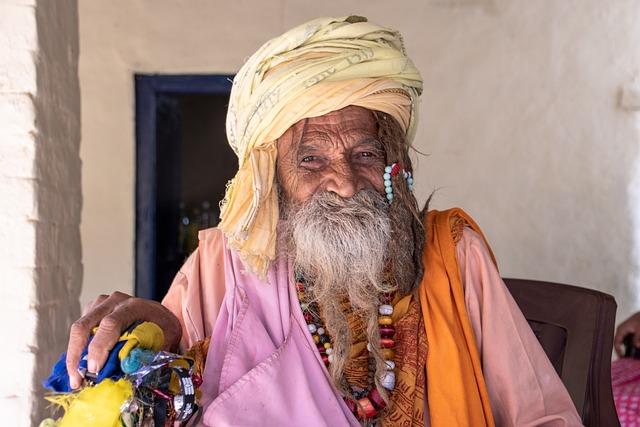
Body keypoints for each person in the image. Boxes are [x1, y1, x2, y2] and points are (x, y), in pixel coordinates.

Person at [65, 16, 582, 426]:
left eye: (364, 154)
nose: (345, 181)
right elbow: (175, 379)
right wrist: (162, 328)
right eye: (311, 160)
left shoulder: (452, 252)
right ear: (275, 176)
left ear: (390, 166)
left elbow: (541, 416)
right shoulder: (228, 259)